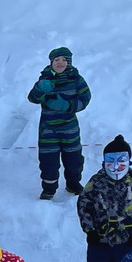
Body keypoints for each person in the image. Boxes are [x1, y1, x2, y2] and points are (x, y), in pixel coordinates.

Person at [28, 47, 91, 200]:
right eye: (57, 60)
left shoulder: (77, 79)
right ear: (51, 63)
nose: (60, 63)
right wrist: (40, 89)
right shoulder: (45, 79)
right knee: (48, 162)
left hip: (70, 129)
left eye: (64, 60)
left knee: (74, 160)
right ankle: (49, 189)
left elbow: (85, 98)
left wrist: (68, 106)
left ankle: (73, 183)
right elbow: (32, 98)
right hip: (48, 131)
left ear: (69, 62)